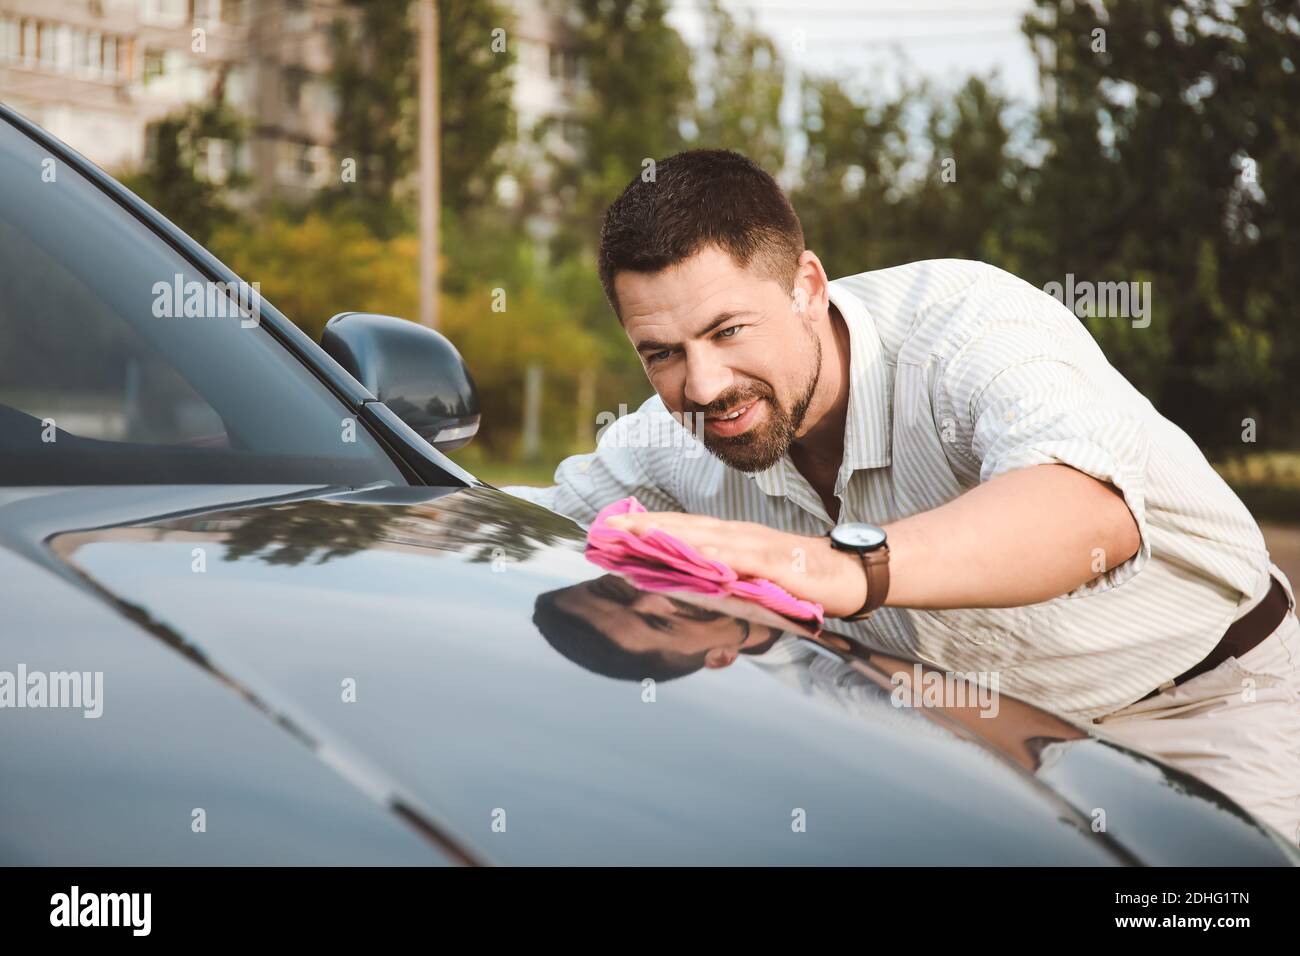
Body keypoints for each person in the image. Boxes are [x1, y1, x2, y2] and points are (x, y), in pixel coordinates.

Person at [506, 148, 1299, 846]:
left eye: (728, 331)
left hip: (1205, 712)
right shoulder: (665, 438)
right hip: (964, 743)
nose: (703, 386)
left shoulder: (971, 327)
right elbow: (512, 528)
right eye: (662, 354)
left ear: (807, 286)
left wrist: (846, 568)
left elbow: (1088, 508)